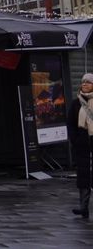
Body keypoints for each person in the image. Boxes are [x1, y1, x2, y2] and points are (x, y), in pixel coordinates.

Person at [69, 73, 93, 219]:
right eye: (83, 82)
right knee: (83, 176)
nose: (84, 84)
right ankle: (83, 207)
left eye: (88, 82)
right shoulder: (76, 103)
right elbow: (70, 123)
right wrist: (75, 140)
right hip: (82, 144)